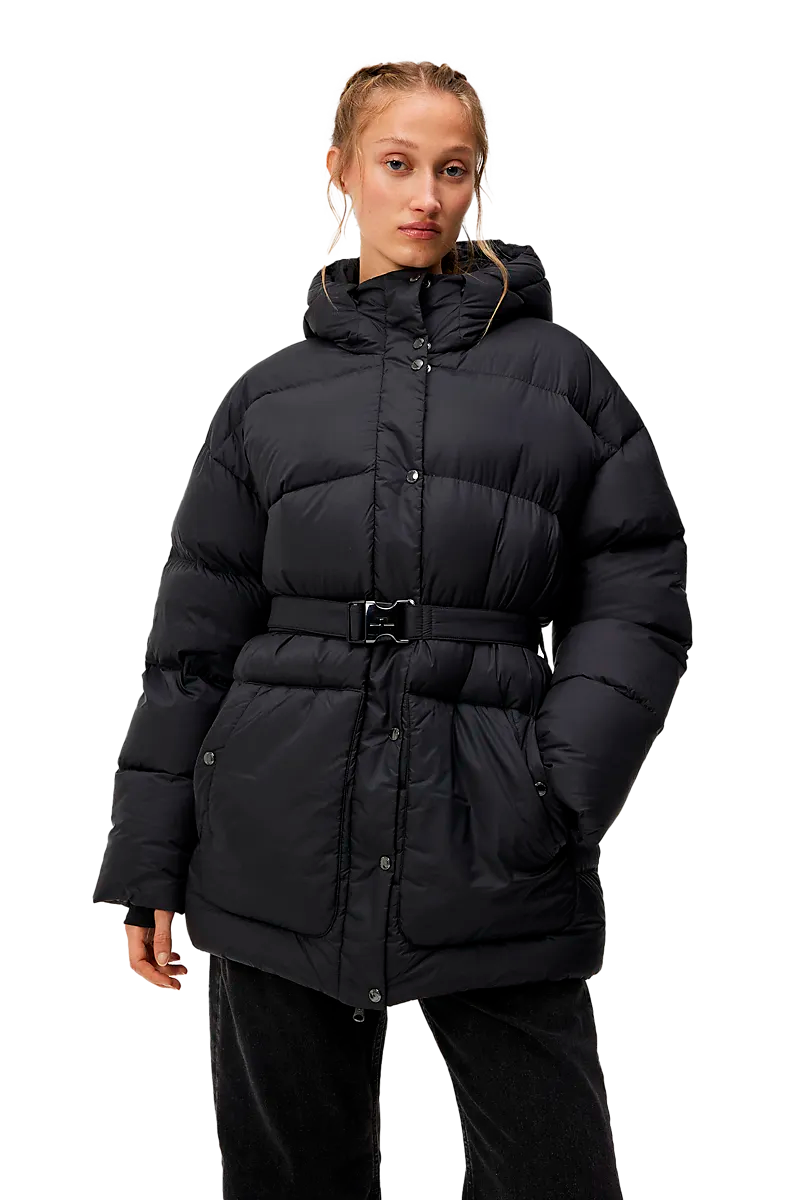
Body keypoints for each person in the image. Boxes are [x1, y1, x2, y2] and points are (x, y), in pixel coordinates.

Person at [94, 58, 692, 1199]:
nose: (426, 195)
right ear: (341, 173)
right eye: (398, 163)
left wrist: (557, 787)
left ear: (478, 184)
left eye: (453, 170)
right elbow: (191, 645)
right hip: (274, 822)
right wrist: (150, 856)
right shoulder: (266, 398)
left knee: (552, 1168)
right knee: (286, 1173)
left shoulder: (562, 378)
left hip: (492, 819)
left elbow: (638, 600)